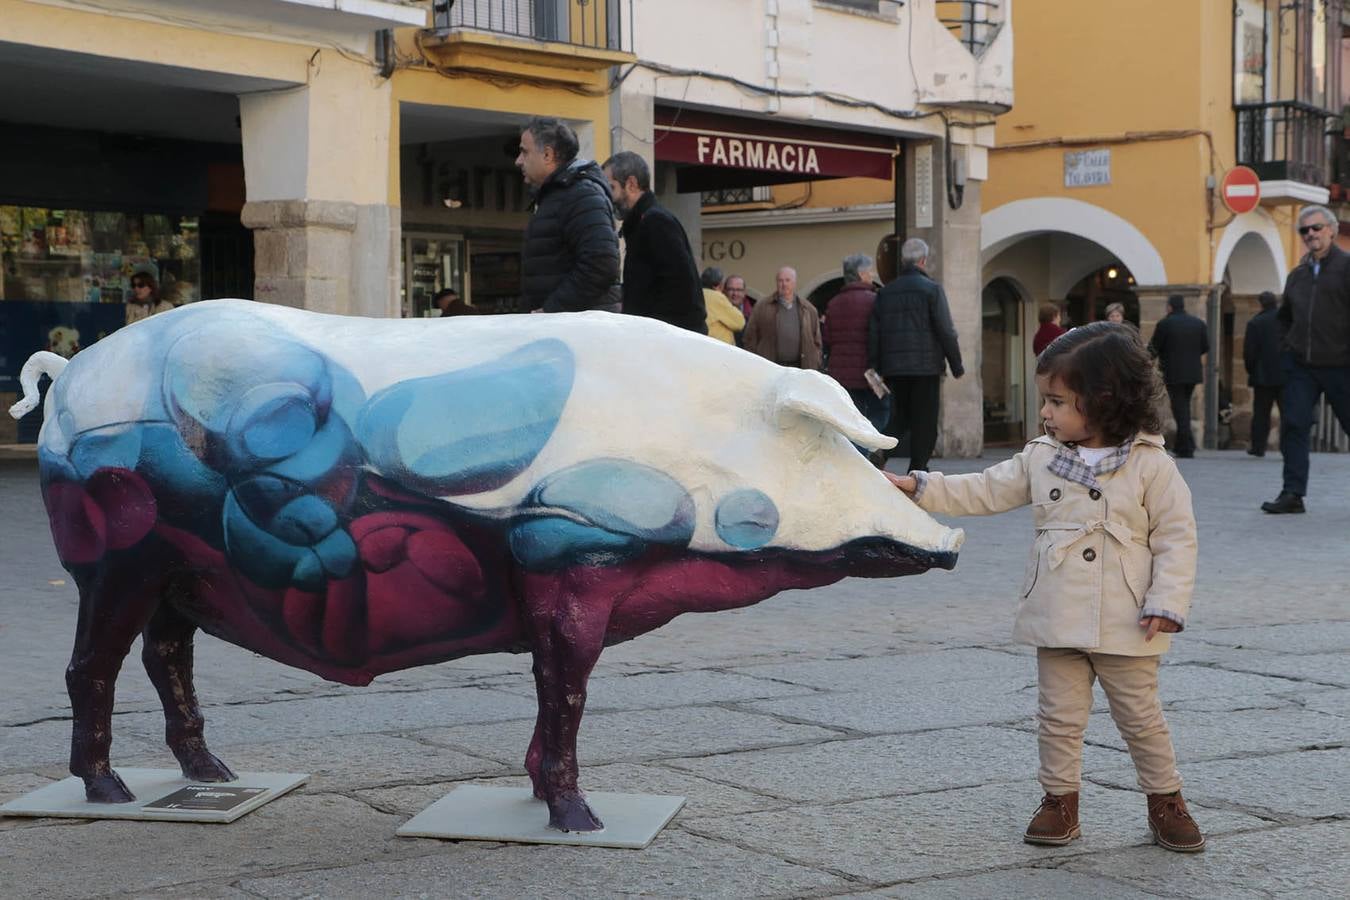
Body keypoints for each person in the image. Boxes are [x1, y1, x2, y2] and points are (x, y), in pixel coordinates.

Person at [884, 321, 1205, 855]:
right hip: (1056, 609)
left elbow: (1178, 538)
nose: (1045, 413)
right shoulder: (1040, 455)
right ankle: (1060, 800)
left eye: (1057, 401)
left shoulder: (1152, 465)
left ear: (1103, 400)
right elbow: (985, 488)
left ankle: (1166, 799)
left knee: (1141, 717)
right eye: (1045, 401)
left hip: (1128, 618)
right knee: (1058, 715)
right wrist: (921, 486)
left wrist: (1168, 602)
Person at [1262, 204, 1350, 513]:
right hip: (1301, 366)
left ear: (1331, 230)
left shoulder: (1346, 267)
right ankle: (1292, 494)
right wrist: (1287, 348)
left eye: (1316, 228)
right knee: (1294, 426)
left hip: (1342, 364)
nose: (1310, 234)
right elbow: (1284, 318)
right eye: (1305, 230)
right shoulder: (1297, 275)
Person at [868, 237, 964, 472]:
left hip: (894, 368)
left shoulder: (886, 293)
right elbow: (946, 330)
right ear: (923, 260)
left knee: (899, 418)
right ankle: (918, 469)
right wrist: (956, 364)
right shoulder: (932, 290)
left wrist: (877, 367)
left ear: (903, 260)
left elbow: (875, 334)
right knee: (925, 421)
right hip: (926, 368)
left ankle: (881, 453)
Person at [516, 117, 621, 313]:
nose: (518, 160)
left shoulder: (582, 195)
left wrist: (551, 310)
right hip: (565, 331)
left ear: (547, 155)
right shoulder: (559, 195)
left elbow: (601, 264)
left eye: (524, 152)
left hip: (578, 334)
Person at [602, 151, 707, 334]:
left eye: (611, 188)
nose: (609, 198)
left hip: (669, 339)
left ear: (631, 184)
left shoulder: (655, 221)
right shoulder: (644, 222)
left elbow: (681, 286)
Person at [822, 253, 889, 450]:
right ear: (861, 274)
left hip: (841, 373)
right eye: (869, 272)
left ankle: (856, 450)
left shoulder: (833, 304)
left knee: (851, 418)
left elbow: (827, 339)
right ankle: (862, 450)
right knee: (883, 411)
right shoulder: (875, 300)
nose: (871, 276)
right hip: (869, 373)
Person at [1147, 295, 1209, 459]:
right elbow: (1205, 347)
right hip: (1193, 372)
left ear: (1169, 307)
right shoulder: (1198, 323)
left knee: (1180, 409)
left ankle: (1186, 448)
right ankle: (1186, 444)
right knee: (1184, 408)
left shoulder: (1165, 324)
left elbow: (1153, 348)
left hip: (1174, 372)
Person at [742, 266, 822, 369]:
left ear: (794, 282)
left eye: (787, 280)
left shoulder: (808, 309)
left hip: (801, 368)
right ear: (776, 282)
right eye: (780, 280)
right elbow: (750, 337)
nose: (784, 284)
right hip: (770, 367)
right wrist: (754, 362)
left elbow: (817, 341)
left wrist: (816, 360)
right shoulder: (763, 306)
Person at [1243, 290, 1283, 457]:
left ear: (1261, 303)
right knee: (1288, 413)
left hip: (1263, 376)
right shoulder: (1286, 321)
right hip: (1285, 374)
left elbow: (1249, 353)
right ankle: (1288, 446)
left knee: (1261, 414)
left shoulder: (1255, 323)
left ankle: (1258, 447)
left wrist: (1252, 370)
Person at [700, 266, 745, 344]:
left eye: (739, 290)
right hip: (714, 347)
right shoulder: (717, 297)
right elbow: (740, 322)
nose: (735, 293)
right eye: (731, 289)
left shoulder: (698, 293)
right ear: (719, 285)